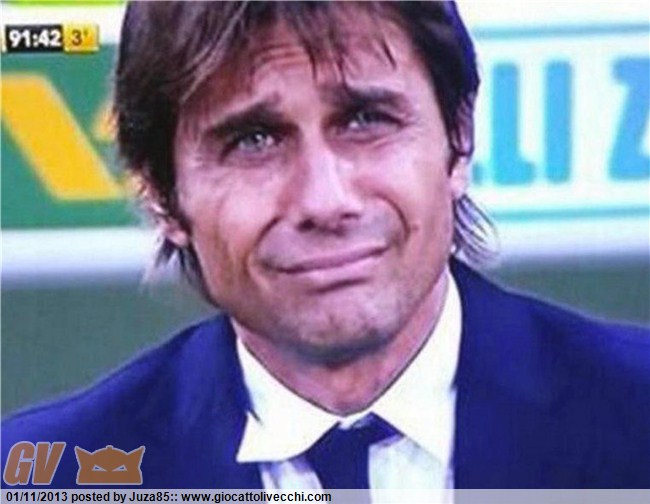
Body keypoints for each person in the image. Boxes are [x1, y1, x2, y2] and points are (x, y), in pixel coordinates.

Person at [2, 0, 649, 492]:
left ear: (458, 139)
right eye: (254, 140)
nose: (324, 199)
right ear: (162, 196)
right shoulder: (48, 480)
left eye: (366, 120)